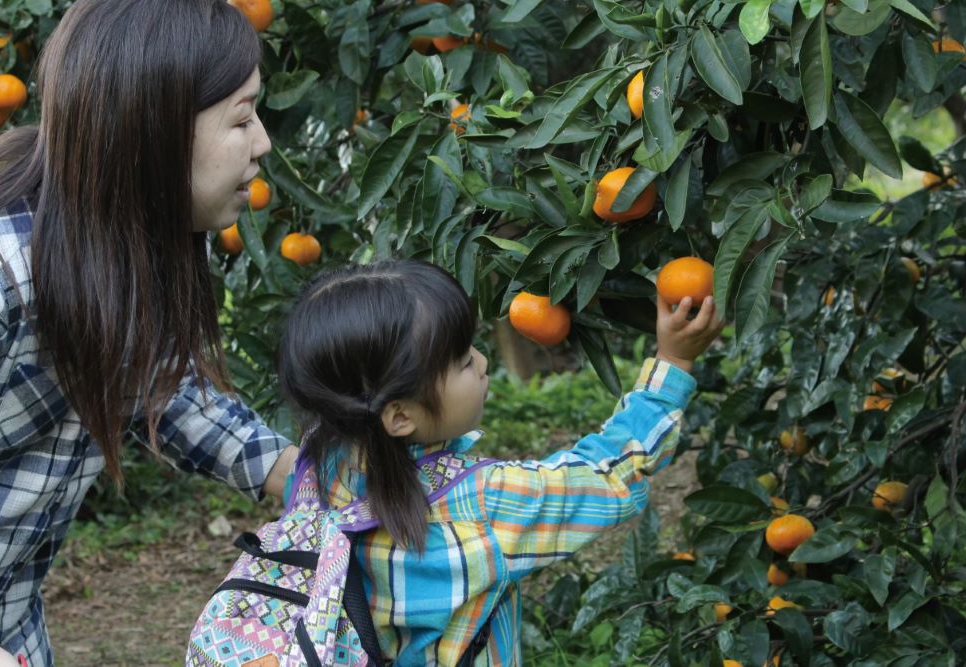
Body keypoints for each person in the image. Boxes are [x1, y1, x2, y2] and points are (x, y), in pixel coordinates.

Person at [0, 1, 300, 665]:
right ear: (153, 130)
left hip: (13, 631)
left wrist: (308, 476)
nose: (262, 142)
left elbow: (163, 387)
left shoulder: (142, 240)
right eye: (241, 117)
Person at [276, 259, 723, 665]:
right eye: (462, 361)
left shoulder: (318, 462)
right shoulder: (483, 504)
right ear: (399, 415)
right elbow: (609, 472)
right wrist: (673, 362)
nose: (483, 362)